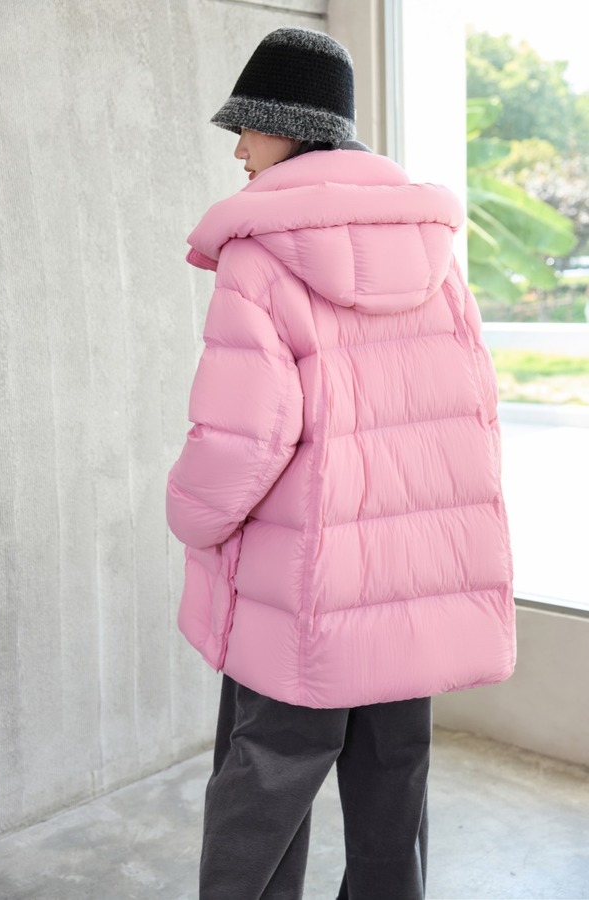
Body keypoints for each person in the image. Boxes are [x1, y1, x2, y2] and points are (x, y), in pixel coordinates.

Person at [166, 26, 515, 900]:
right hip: (413, 577)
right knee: (394, 777)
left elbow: (245, 436)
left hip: (306, 584)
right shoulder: (434, 253)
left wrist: (190, 514)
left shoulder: (258, 256)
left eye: (249, 127)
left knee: (267, 776)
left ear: (295, 127)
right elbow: (471, 409)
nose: (239, 150)